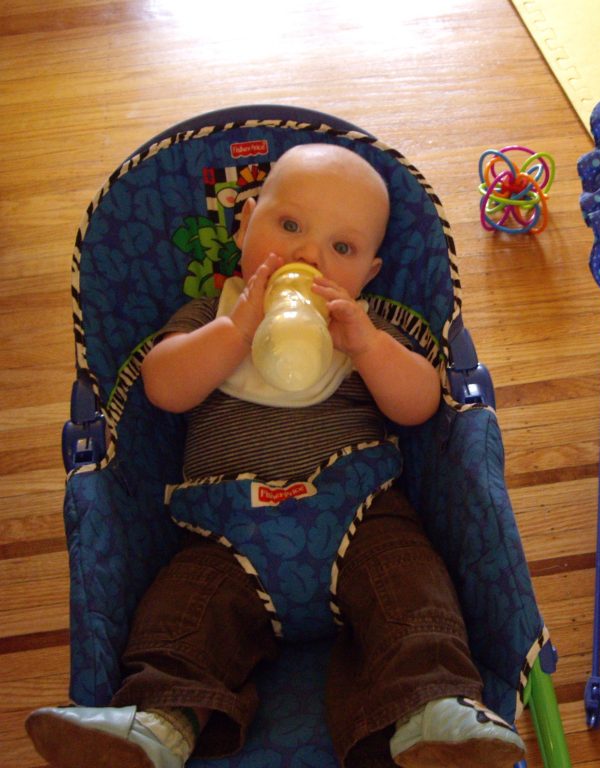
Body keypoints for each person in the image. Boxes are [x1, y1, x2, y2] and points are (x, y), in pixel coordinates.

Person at [26, 144, 526, 768]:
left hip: (362, 516)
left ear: (369, 274)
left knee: (413, 596)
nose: (307, 255)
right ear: (244, 225)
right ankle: (161, 721)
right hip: (225, 533)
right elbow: (163, 387)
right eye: (289, 226)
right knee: (182, 618)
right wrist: (237, 330)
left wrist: (367, 346)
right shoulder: (212, 313)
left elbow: (421, 404)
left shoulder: (365, 324)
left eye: (341, 250)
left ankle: (433, 710)